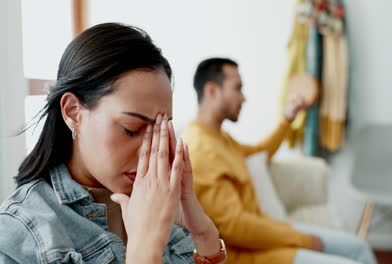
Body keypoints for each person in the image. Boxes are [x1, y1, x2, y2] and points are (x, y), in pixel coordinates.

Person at [0, 23, 227, 264]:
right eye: (131, 130)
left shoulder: (160, 202)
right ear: (73, 112)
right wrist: (145, 246)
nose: (149, 152)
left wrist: (203, 234)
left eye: (160, 131)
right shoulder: (21, 232)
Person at [182, 58, 377, 264]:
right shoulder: (200, 149)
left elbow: (259, 152)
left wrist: (288, 118)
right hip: (250, 256)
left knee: (359, 247)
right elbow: (234, 226)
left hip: (266, 234)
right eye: (237, 88)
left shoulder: (219, 138)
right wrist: (302, 240)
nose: (244, 98)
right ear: (212, 91)